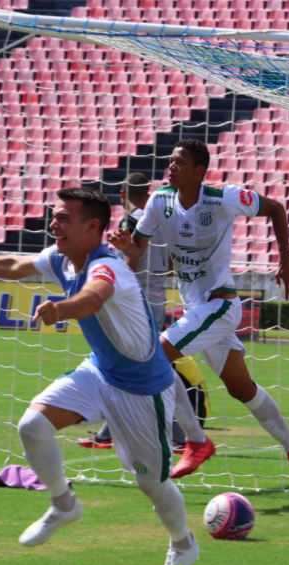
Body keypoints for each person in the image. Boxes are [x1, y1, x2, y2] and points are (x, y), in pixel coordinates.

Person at [0, 187, 199, 565]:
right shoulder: (62, 258)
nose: (53, 223)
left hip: (143, 390)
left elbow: (94, 297)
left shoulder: (106, 265)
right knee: (32, 425)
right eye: (54, 216)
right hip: (99, 372)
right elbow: (14, 264)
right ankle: (64, 503)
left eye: (63, 218)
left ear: (93, 226)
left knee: (153, 485)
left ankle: (183, 545)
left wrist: (60, 308)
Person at [110, 139, 289, 490]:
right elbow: (138, 249)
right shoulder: (159, 201)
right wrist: (129, 249)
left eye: (179, 163)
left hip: (220, 305)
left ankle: (196, 439)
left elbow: (277, 208)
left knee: (154, 356)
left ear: (199, 172)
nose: (170, 167)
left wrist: (286, 262)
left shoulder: (224, 199)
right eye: (170, 161)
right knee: (241, 389)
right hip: (198, 310)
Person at [79, 173, 213, 473]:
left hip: (134, 300)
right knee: (137, 362)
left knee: (139, 363)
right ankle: (108, 433)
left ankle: (180, 434)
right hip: (156, 297)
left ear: (124, 192)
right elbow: (169, 265)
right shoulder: (160, 223)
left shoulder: (131, 222)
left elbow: (129, 260)